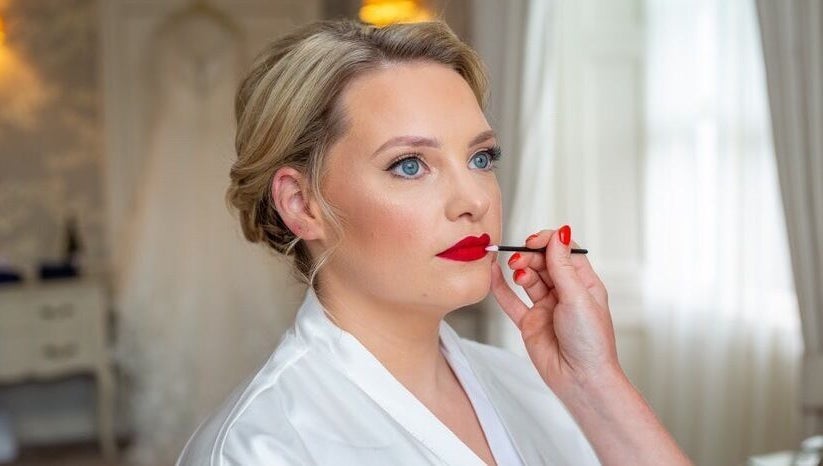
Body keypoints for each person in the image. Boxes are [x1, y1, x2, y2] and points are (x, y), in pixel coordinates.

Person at [177, 19, 692, 466]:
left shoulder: (536, 385)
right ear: (302, 204)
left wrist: (595, 382)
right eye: (409, 165)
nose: (473, 199)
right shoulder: (258, 449)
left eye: (482, 158)